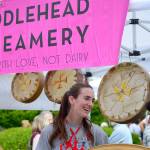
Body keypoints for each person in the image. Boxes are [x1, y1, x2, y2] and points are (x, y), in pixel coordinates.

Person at [36, 83, 108, 150]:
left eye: (92, 100)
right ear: (72, 99)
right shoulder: (49, 131)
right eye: (86, 98)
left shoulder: (97, 132)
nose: (91, 104)